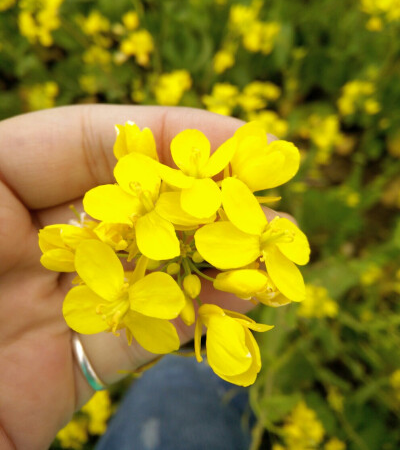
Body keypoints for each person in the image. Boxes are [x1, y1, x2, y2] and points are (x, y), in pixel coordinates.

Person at [0, 105, 284, 450]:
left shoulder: (193, 209)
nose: (113, 316)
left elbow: (186, 239)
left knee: (181, 381)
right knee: (187, 384)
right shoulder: (150, 244)